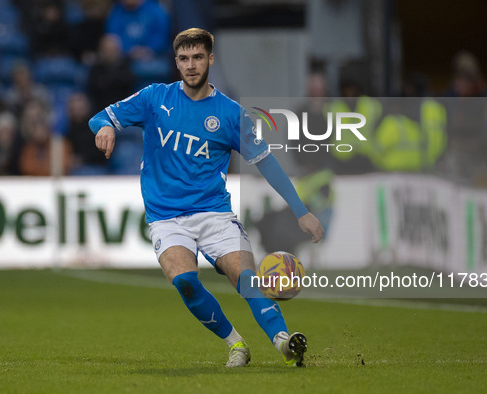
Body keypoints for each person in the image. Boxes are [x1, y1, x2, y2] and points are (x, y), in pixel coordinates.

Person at [88, 28, 324, 367]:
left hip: (214, 214)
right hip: (166, 217)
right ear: (176, 62)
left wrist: (301, 211)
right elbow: (100, 117)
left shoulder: (230, 114)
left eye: (198, 57)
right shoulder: (155, 99)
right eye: (184, 59)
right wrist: (106, 128)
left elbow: (266, 163)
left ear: (210, 59)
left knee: (245, 277)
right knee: (185, 281)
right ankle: (236, 344)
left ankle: (283, 342)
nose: (191, 65)